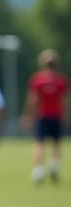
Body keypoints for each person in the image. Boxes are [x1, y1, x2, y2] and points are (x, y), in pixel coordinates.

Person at [24, 49, 67, 184]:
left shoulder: (38, 79)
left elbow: (33, 99)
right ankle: (54, 165)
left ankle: (38, 170)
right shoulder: (61, 80)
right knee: (56, 143)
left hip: (42, 115)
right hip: (56, 115)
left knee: (39, 143)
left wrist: (28, 115)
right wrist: (65, 115)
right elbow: (63, 101)